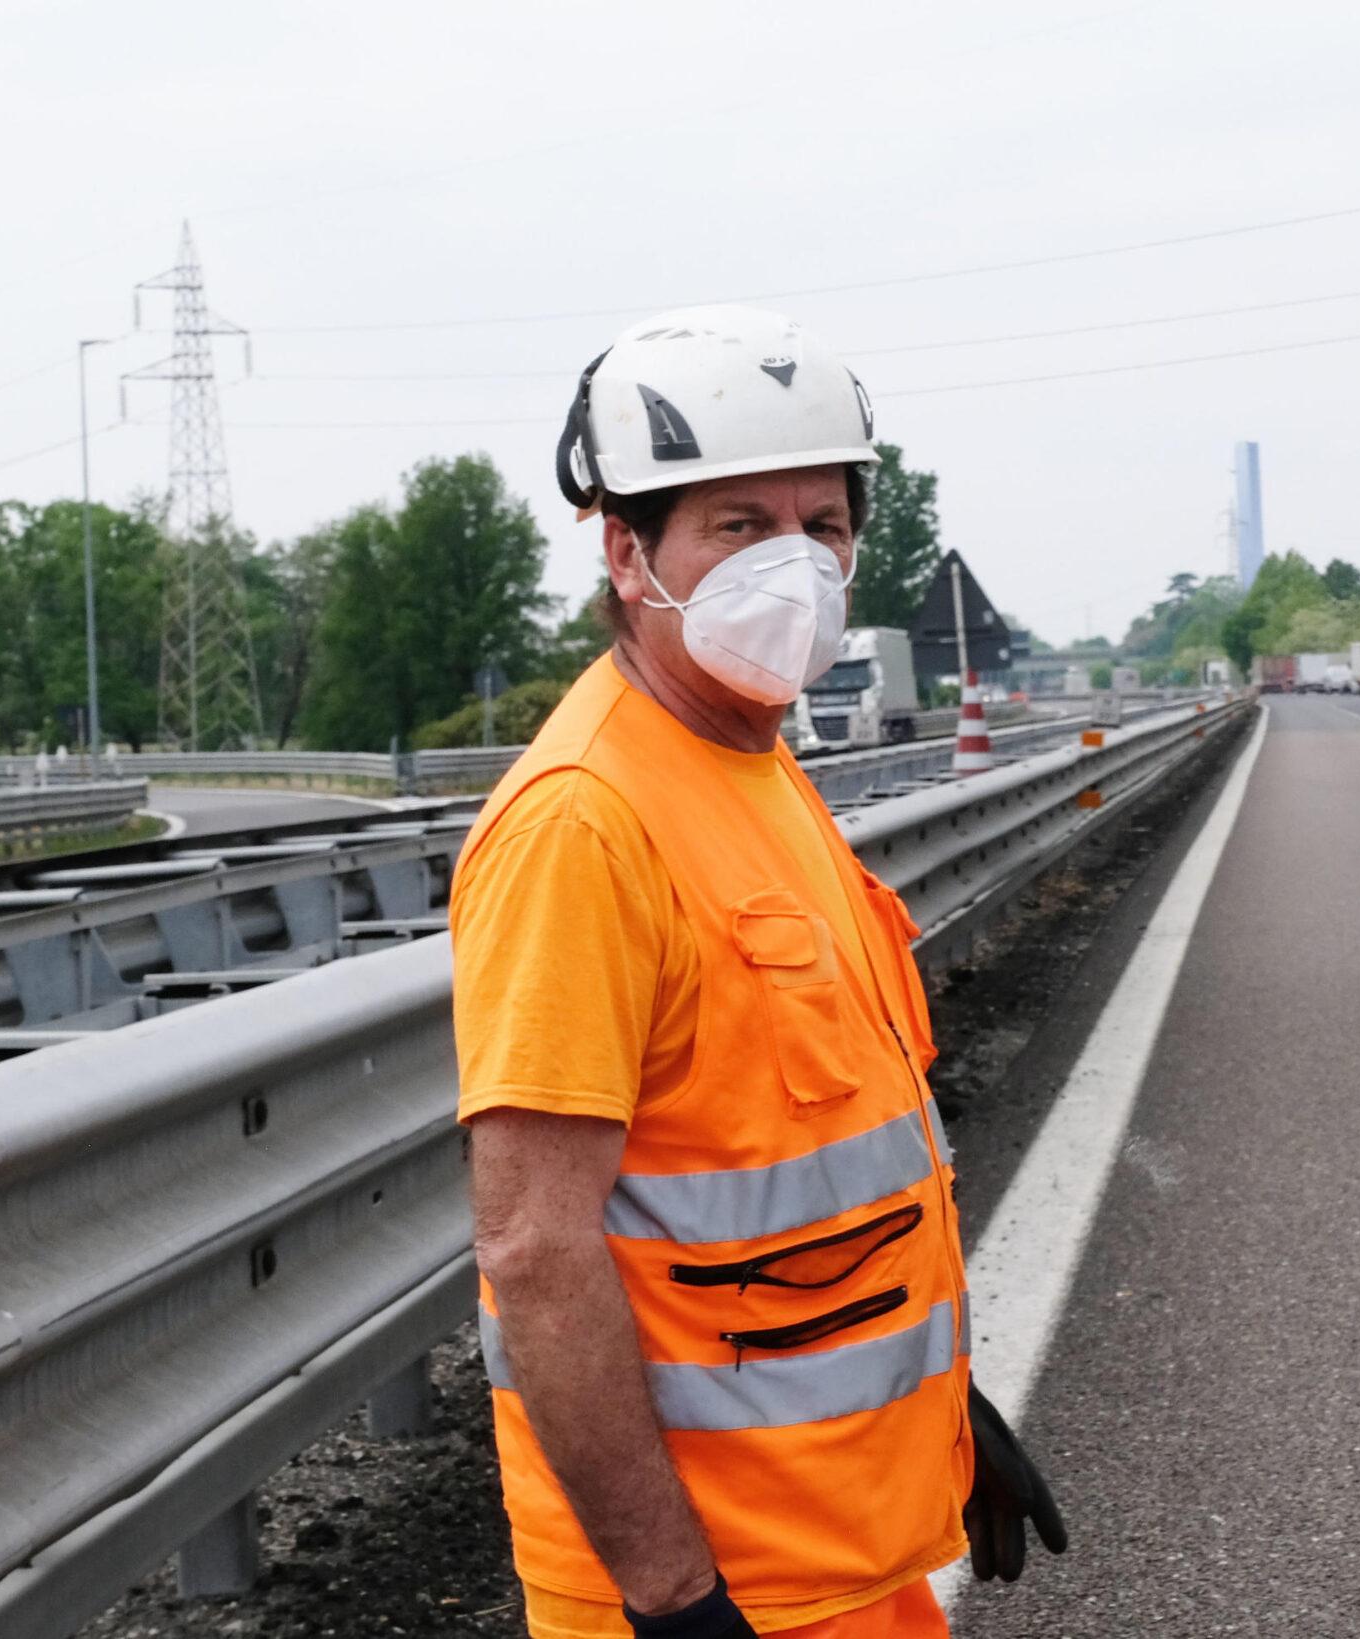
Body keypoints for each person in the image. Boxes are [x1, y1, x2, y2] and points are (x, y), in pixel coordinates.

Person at [449, 305, 1063, 1639]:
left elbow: (798, 1161)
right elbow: (537, 1250)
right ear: (627, 551)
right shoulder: (580, 823)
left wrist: (941, 1411)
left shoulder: (752, 759)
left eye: (822, 527)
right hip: (717, 1590)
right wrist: (673, 1603)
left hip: (850, 1540)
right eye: (739, 527)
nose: (795, 566)